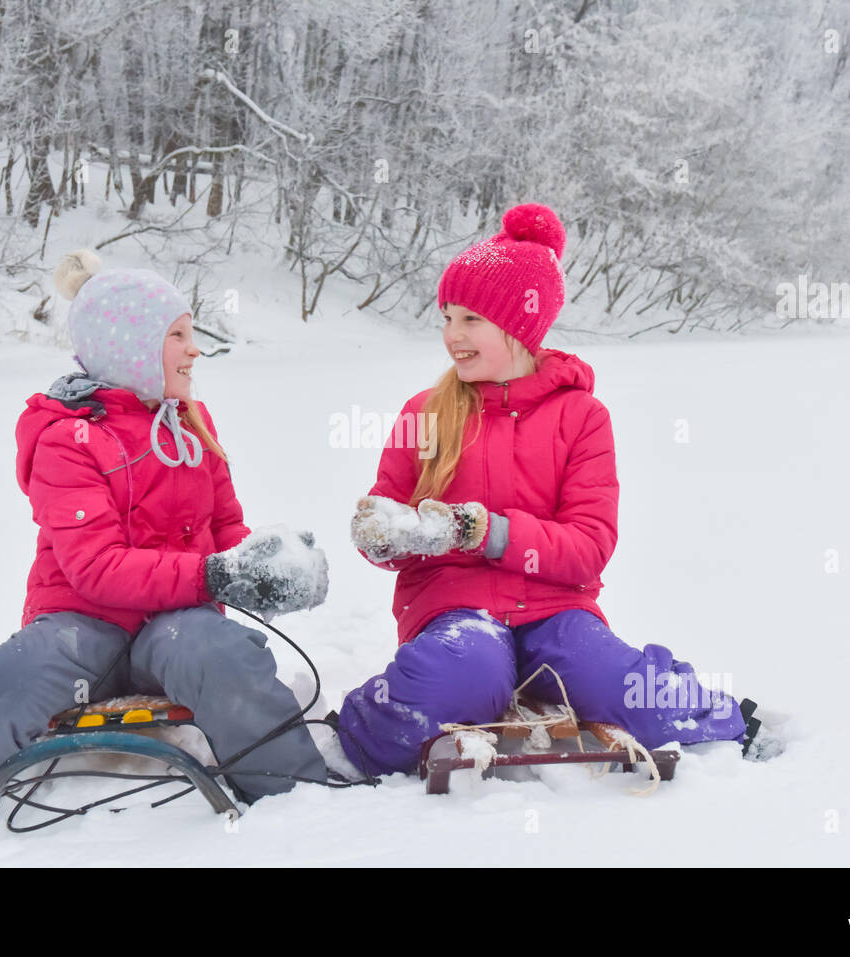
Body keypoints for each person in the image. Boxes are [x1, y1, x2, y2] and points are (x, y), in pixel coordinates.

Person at [328, 204, 781, 779]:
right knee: (461, 678)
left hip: (555, 609)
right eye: (446, 317)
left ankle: (715, 715)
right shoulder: (426, 413)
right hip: (454, 609)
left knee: (617, 687)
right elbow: (387, 526)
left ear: (517, 326)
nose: (451, 336)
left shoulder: (582, 416)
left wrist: (485, 532)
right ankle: (354, 732)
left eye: (470, 319)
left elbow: (589, 545)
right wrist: (381, 532)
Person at [0, 250, 329, 812]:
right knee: (0, 684)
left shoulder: (191, 426)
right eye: (178, 336)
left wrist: (264, 568)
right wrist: (214, 574)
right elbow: (96, 568)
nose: (194, 349)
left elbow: (227, 529)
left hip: (179, 627)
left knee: (225, 656)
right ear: (130, 347)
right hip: (83, 625)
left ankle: (298, 801)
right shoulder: (69, 439)